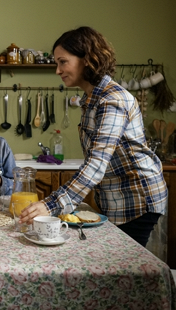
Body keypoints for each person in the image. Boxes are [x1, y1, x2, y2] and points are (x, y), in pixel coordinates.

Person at [20, 26, 167, 247]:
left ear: (87, 60)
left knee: (126, 271)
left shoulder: (112, 100)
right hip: (117, 199)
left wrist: (51, 205)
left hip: (136, 199)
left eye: (62, 62)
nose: (57, 70)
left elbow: (97, 164)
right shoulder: (91, 99)